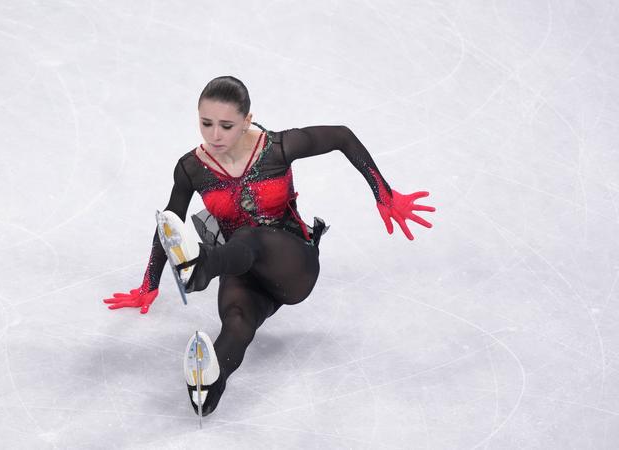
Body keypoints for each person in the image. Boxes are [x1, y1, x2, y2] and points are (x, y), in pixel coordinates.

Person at [103, 75, 435, 416]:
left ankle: (200, 268)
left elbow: (342, 136)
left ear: (247, 120)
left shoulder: (276, 147)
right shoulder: (191, 169)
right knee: (236, 319)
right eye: (206, 123)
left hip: (293, 264)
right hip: (239, 268)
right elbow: (169, 224)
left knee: (249, 237)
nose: (215, 135)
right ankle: (208, 388)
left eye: (227, 125)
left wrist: (384, 194)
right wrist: (149, 286)